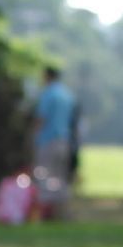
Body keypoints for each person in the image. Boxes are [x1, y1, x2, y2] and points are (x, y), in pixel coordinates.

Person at [29, 65, 77, 220]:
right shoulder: (67, 95)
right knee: (60, 178)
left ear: (47, 76)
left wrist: (33, 136)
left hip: (48, 140)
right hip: (64, 141)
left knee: (43, 175)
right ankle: (61, 212)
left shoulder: (48, 94)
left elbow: (41, 118)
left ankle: (45, 213)